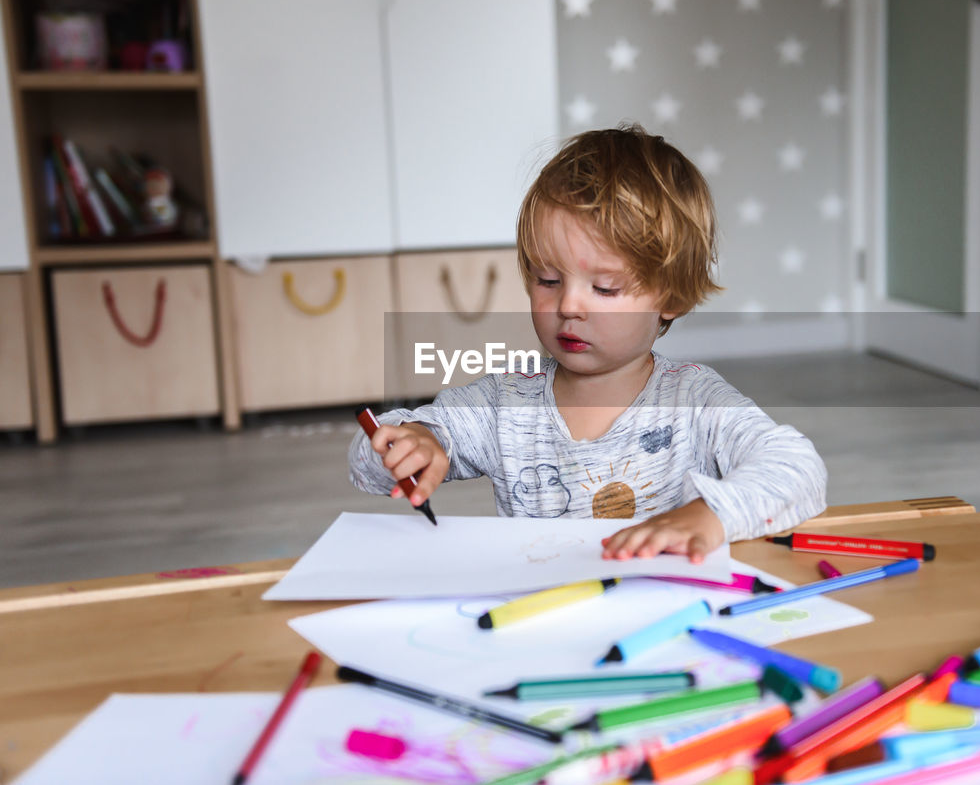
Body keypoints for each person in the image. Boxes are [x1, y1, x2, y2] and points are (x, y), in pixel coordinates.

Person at [349, 124, 826, 562]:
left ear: (673, 297)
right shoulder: (504, 402)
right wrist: (413, 442)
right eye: (548, 279)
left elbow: (799, 470)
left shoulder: (695, 401)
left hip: (660, 613)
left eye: (605, 288)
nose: (569, 306)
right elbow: (367, 462)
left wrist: (710, 515)